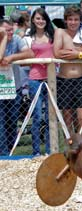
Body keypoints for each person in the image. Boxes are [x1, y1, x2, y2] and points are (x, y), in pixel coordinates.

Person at [53, 6, 82, 135]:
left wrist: (77, 54)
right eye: (70, 19)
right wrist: (81, 50)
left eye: (76, 19)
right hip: (64, 80)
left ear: (80, 21)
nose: (73, 22)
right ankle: (69, 147)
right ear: (66, 21)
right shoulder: (60, 32)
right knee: (67, 118)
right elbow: (57, 53)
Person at [22, 8, 55, 156]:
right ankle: (36, 151)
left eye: (42, 18)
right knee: (37, 115)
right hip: (35, 78)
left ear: (46, 20)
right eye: (37, 18)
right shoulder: (28, 37)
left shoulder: (52, 35)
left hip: (51, 78)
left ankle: (49, 149)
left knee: (50, 115)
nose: (40, 21)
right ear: (33, 20)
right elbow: (25, 56)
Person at [0, 19, 33, 155]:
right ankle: (3, 153)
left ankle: (10, 151)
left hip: (15, 88)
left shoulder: (17, 39)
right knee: (1, 122)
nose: (10, 32)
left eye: (10, 29)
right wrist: (2, 39)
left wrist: (12, 57)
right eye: (6, 30)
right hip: (0, 90)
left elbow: (30, 53)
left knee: (12, 122)